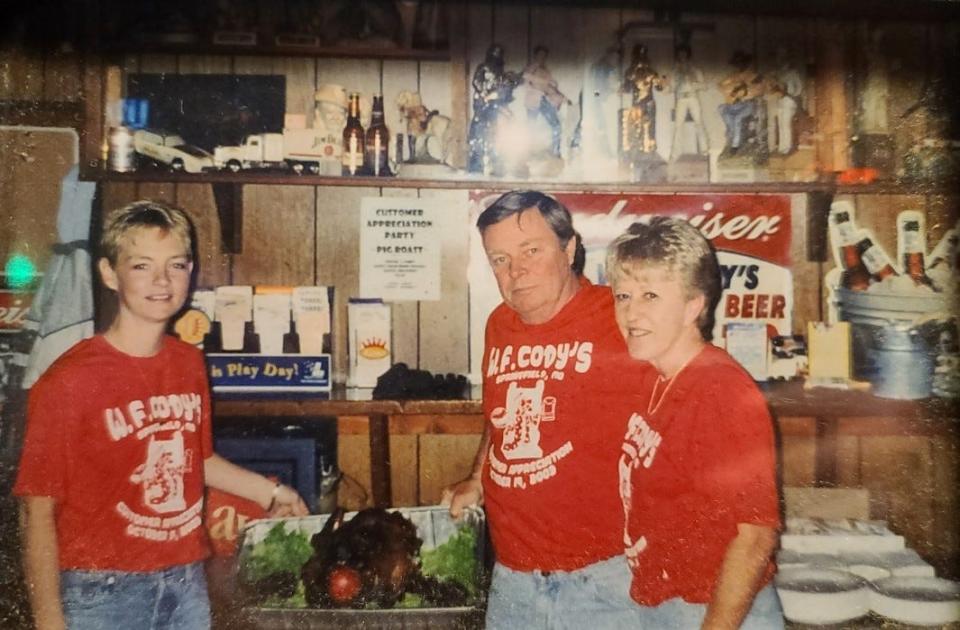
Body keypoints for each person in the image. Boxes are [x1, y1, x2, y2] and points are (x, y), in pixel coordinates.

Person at [14, 200, 309, 630]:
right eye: (141, 266)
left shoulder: (188, 361)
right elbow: (35, 511)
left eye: (176, 265)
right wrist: (47, 620)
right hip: (101, 593)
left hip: (185, 581)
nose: (161, 281)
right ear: (109, 274)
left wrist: (271, 494)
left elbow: (199, 459)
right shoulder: (68, 381)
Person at [443, 190, 648, 629]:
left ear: (569, 248)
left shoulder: (619, 315)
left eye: (531, 250)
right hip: (513, 577)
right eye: (498, 259)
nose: (515, 270)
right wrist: (476, 478)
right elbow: (501, 413)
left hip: (603, 581)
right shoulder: (499, 323)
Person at [605, 217, 783, 629]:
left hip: (718, 613)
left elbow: (755, 536)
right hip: (667, 605)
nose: (631, 312)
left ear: (693, 305)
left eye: (651, 295)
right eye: (623, 295)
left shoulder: (719, 389)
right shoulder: (656, 374)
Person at [522, 45, 570, 157]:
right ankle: (529, 152)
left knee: (556, 124)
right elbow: (525, 77)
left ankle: (555, 151)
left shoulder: (546, 70)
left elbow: (550, 86)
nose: (542, 57)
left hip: (544, 100)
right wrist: (542, 83)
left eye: (544, 56)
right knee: (531, 127)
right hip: (533, 101)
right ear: (536, 55)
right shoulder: (531, 67)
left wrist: (561, 97)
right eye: (540, 55)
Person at [718, 50, 765, 156]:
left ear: (746, 63)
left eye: (741, 63)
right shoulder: (733, 76)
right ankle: (731, 134)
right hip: (733, 104)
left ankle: (735, 145)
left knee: (738, 118)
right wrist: (732, 89)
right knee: (722, 110)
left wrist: (745, 93)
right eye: (737, 63)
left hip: (747, 104)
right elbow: (720, 85)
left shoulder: (754, 76)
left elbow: (759, 91)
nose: (739, 66)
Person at [623, 42, 666, 155]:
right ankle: (638, 150)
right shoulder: (630, 72)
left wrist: (662, 81)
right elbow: (626, 89)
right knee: (636, 127)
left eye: (643, 55)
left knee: (650, 128)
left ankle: (651, 148)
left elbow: (659, 87)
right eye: (639, 56)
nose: (641, 59)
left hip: (649, 103)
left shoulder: (651, 72)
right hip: (637, 103)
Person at [669, 43, 709, 158]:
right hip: (681, 99)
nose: (682, 56)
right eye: (680, 54)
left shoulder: (695, 70)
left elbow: (704, 86)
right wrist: (668, 84)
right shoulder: (675, 71)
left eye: (684, 54)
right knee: (678, 125)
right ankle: (675, 153)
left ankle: (704, 149)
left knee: (699, 123)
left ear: (688, 55)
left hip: (692, 98)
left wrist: (693, 82)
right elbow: (671, 88)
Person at [766, 47, 804, 155]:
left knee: (786, 124)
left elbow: (799, 88)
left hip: (789, 100)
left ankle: (786, 148)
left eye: (783, 59)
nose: (781, 61)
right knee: (780, 124)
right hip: (780, 100)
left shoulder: (793, 73)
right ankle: (781, 148)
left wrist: (791, 94)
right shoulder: (777, 74)